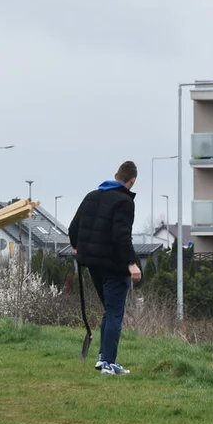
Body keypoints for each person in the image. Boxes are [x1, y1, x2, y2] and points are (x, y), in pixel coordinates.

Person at [69, 160, 142, 375]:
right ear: (132, 181)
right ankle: (108, 362)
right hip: (114, 266)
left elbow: (74, 228)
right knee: (115, 313)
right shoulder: (125, 202)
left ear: (115, 175)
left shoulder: (92, 196)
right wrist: (131, 263)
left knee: (109, 311)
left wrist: (77, 249)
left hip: (93, 264)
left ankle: (103, 358)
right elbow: (121, 236)